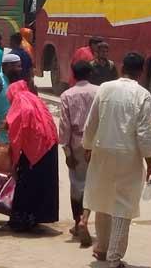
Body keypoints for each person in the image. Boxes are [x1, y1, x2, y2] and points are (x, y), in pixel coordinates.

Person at [81, 52, 151, 267]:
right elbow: (144, 132)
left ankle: (102, 248)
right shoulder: (143, 94)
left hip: (101, 150)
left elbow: (91, 121)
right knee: (123, 205)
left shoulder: (104, 88)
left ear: (122, 67)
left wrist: (87, 146)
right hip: (127, 154)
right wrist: (149, 163)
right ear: (141, 72)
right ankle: (114, 258)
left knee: (103, 198)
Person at [4, 76, 59, 232]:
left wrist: (13, 164)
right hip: (49, 145)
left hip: (35, 149)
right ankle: (37, 217)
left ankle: (22, 220)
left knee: (26, 184)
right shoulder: (34, 99)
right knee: (43, 184)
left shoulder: (19, 102)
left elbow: (16, 137)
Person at [58, 61, 98, 247]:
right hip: (97, 143)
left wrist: (67, 151)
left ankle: (77, 222)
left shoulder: (67, 95)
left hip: (76, 142)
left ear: (73, 74)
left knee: (77, 184)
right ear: (90, 73)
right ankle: (87, 219)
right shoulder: (99, 91)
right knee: (94, 183)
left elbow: (64, 125)